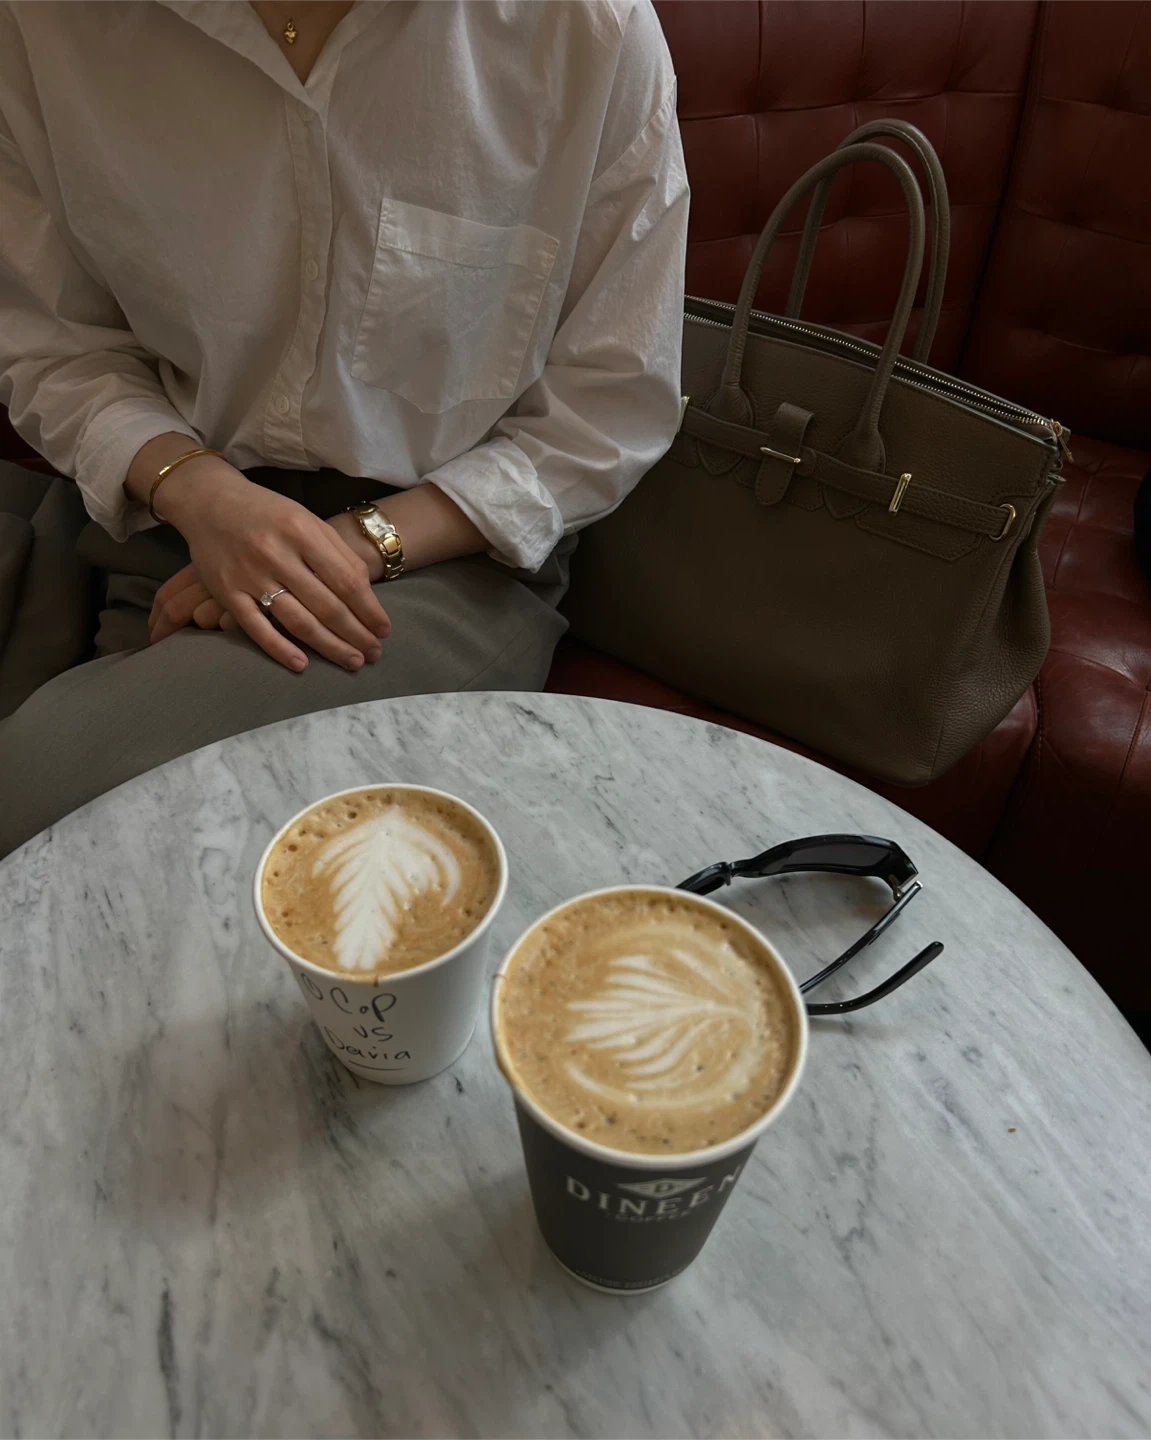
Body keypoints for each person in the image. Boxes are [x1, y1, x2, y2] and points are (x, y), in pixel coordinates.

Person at [0, 0, 689, 856]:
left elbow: (609, 400)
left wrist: (348, 548)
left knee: (55, 801)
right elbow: (55, 345)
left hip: (444, 557)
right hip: (157, 522)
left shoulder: (583, 28)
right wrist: (205, 499)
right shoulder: (45, 26)